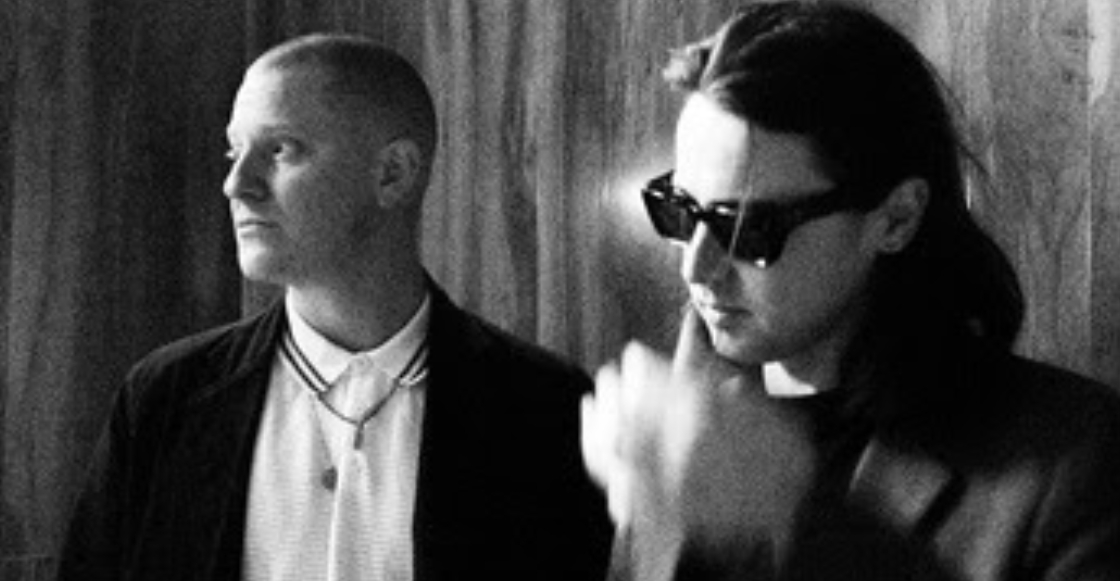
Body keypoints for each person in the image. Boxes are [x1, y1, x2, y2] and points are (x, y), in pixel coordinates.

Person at [581, 2, 1120, 580]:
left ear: (897, 218)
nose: (696, 268)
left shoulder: (1075, 460)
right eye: (681, 211)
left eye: (750, 229)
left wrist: (782, 513)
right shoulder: (684, 418)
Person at [57, 33, 611, 581]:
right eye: (234, 151)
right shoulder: (164, 401)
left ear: (393, 173)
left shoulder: (546, 410)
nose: (236, 184)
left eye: (281, 150)